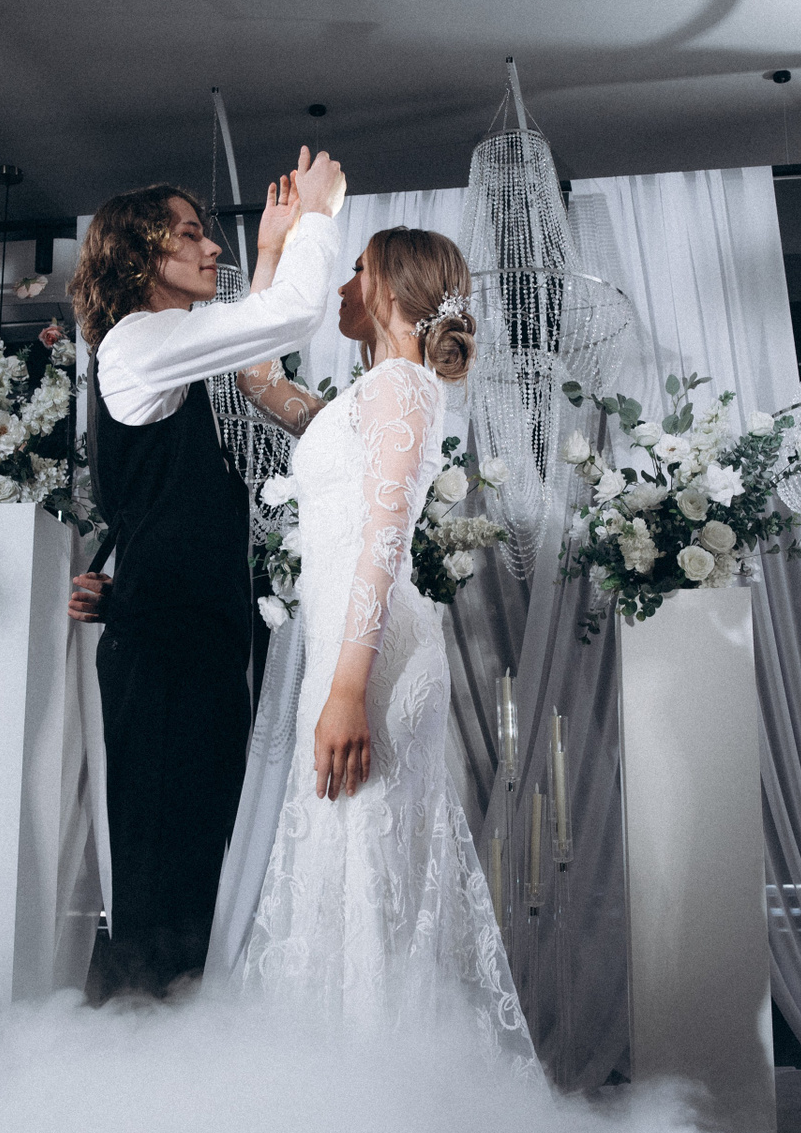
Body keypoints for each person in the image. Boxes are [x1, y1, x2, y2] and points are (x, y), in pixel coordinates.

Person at [212, 226, 533, 1062]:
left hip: (374, 663)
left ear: (389, 285)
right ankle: (346, 1091)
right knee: (345, 868)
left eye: (355, 270)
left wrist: (348, 689)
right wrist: (272, 252)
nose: (342, 287)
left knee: (366, 867)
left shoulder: (403, 387)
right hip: (348, 655)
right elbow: (255, 375)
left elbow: (384, 538)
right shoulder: (369, 398)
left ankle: (376, 1091)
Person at [65, 149, 344, 998]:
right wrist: (317, 220)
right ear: (139, 251)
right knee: (162, 888)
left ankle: (166, 1054)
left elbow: (249, 339)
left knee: (191, 877)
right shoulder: (138, 343)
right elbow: (286, 319)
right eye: (191, 234)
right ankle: (130, 1054)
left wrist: (270, 249)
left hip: (189, 649)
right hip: (168, 660)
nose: (211, 248)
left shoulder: (164, 352)